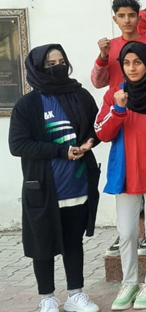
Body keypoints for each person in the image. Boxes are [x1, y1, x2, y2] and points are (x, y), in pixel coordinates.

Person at [9, 44, 101, 312]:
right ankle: (47, 298)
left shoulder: (80, 95)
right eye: (50, 64)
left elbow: (96, 128)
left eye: (61, 61)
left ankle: (76, 295)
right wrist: (60, 151)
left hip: (78, 184)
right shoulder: (27, 104)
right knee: (43, 244)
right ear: (38, 68)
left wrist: (88, 143)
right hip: (44, 189)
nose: (57, 67)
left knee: (73, 242)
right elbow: (18, 145)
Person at [94, 42, 146, 310]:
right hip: (125, 174)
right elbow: (102, 133)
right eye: (127, 63)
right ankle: (129, 282)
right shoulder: (115, 95)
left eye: (138, 62)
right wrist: (118, 109)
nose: (132, 68)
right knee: (126, 233)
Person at [93, 0, 146, 89]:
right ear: (115, 19)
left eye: (131, 15)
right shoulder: (109, 47)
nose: (127, 21)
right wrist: (103, 57)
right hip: (117, 101)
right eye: (121, 16)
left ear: (139, 18)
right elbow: (98, 83)